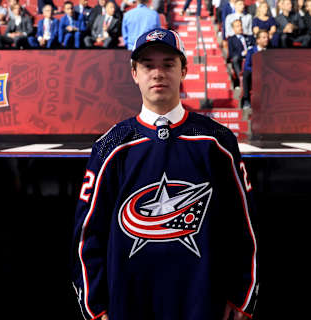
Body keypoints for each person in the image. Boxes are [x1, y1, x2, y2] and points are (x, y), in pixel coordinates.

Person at [71, 27, 258, 320]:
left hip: (203, 304)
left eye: (168, 64)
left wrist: (242, 298)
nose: (158, 73)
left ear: (184, 70)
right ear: (134, 73)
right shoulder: (110, 145)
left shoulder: (217, 141)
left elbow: (244, 227)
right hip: (128, 305)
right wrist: (95, 307)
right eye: (148, 65)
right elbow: (87, 236)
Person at [242, 29, 268, 109]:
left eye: (267, 37)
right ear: (258, 40)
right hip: (254, 74)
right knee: (246, 73)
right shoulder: (251, 51)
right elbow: (246, 66)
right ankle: (246, 101)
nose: (266, 39)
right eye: (264, 37)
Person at [227, 19, 255, 86]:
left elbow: (254, 46)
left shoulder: (249, 37)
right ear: (233, 29)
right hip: (240, 58)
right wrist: (242, 53)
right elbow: (231, 54)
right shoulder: (231, 39)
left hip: (251, 57)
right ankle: (240, 77)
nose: (240, 27)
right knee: (235, 59)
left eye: (240, 25)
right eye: (237, 26)